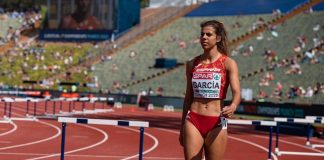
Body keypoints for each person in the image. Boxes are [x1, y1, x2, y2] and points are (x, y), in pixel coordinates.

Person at [179, 20, 241, 160]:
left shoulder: (228, 63)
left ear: (218, 38)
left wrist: (233, 105)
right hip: (193, 119)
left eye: (208, 34)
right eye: (202, 34)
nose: (204, 37)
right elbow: (188, 97)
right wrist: (182, 126)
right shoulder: (191, 64)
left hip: (217, 121)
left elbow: (237, 93)